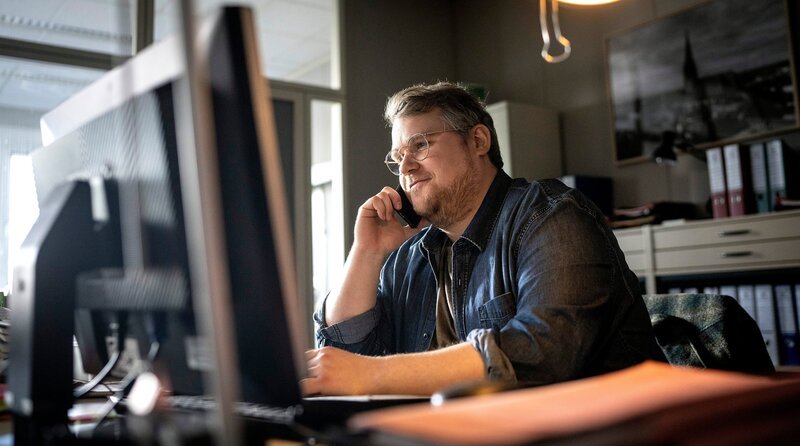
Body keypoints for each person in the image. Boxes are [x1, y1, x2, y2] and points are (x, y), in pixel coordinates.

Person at [301, 82, 665, 396]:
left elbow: (545, 352)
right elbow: (343, 359)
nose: (406, 167)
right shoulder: (410, 253)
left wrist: (372, 375)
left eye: (420, 145)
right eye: (398, 156)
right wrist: (366, 252)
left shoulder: (553, 216)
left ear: (477, 140)